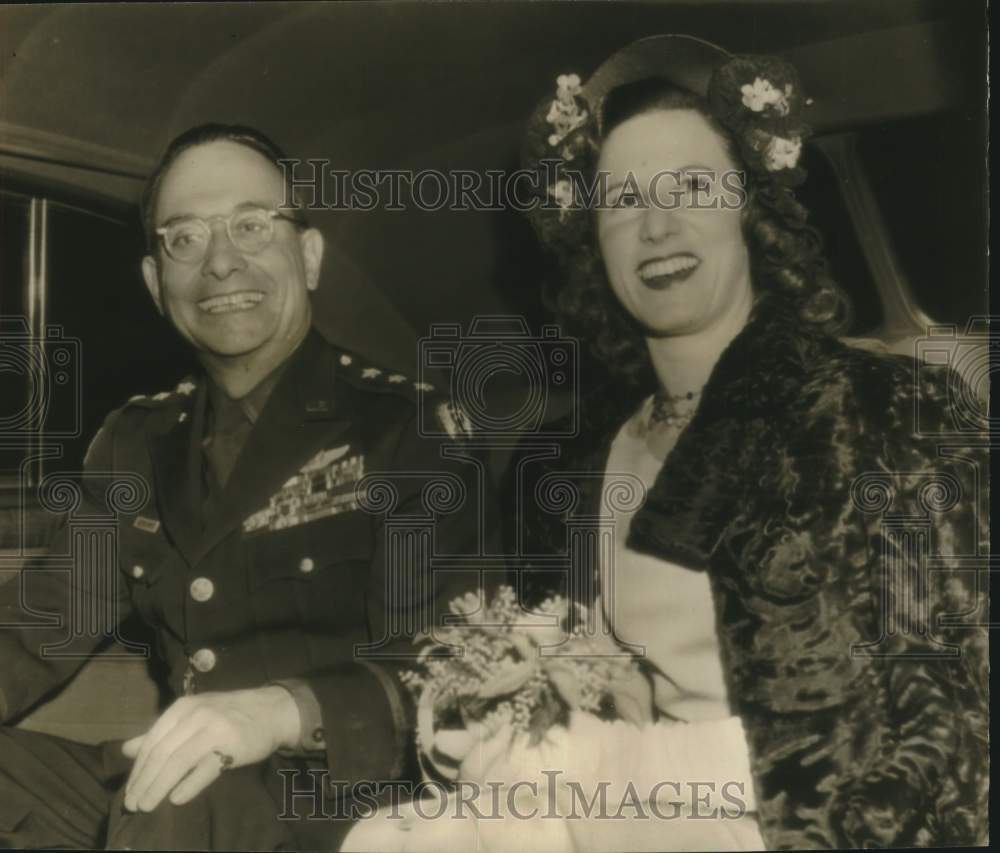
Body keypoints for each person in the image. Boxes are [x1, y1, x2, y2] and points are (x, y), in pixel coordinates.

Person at [344, 35, 988, 852]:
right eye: (622, 201)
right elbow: (570, 692)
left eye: (691, 186)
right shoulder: (577, 469)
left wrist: (606, 761)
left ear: (749, 206)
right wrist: (492, 722)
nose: (656, 226)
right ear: (593, 238)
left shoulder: (886, 410)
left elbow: (953, 726)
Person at [0, 123, 493, 851]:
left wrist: (283, 709)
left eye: (252, 226)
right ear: (155, 282)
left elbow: (456, 672)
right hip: (183, 790)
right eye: (186, 239)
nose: (222, 263)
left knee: (178, 798)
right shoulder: (136, 442)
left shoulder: (409, 430)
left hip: (342, 807)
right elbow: (35, 629)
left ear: (310, 254)